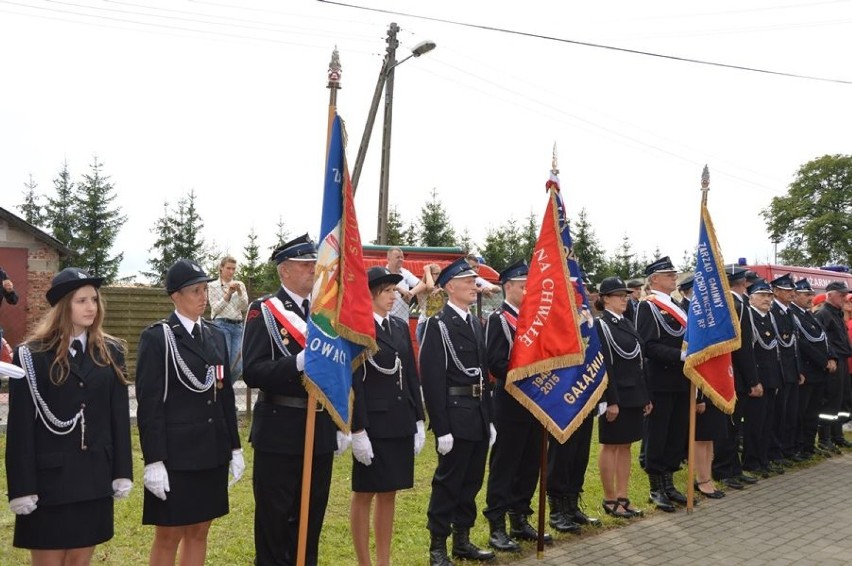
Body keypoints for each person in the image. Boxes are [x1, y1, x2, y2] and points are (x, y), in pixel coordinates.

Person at [6, 267, 133, 565]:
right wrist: (22, 488)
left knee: (79, 560)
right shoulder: (32, 354)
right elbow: (21, 427)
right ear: (64, 305)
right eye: (82, 301)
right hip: (50, 482)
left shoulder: (110, 351)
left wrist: (121, 471)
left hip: (93, 478)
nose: (92, 307)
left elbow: (118, 417)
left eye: (94, 300)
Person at [242, 234, 348, 566]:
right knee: (275, 518)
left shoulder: (325, 314)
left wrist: (343, 420)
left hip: (319, 429)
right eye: (305, 266)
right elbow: (253, 371)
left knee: (311, 517)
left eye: (314, 266)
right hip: (280, 429)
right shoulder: (265, 311)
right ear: (284, 270)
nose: (312, 273)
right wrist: (297, 364)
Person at [136, 259, 244, 566]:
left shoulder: (215, 336)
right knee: (169, 535)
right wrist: (154, 459)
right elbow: (150, 405)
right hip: (176, 455)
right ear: (175, 296)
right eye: (194, 291)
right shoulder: (158, 338)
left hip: (211, 450)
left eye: (204, 290)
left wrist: (234, 447)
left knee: (200, 530)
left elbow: (224, 398)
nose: (203, 297)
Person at [420, 257, 495, 566]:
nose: (474, 285)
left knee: (471, 482)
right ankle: (438, 545)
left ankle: (462, 540)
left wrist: (489, 419)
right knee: (448, 483)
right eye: (467, 281)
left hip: (477, 414)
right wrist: (442, 427)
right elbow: (433, 379)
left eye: (474, 280)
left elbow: (484, 374)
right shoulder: (439, 325)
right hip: (455, 413)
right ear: (450, 287)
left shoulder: (474, 323)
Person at [350, 267, 426, 566]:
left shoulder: (397, 326)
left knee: (389, 491)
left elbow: (411, 374)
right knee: (364, 493)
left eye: (395, 290)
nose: (394, 296)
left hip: (398, 419)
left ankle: (383, 561)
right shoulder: (357, 329)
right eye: (388, 291)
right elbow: (355, 383)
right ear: (370, 294)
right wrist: (358, 430)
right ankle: (364, 562)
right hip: (373, 422)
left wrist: (418, 418)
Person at [483, 260, 552, 552]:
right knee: (506, 463)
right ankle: (497, 524)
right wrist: (526, 374)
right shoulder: (500, 320)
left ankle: (520, 518)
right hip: (510, 401)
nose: (527, 290)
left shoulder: (535, 319)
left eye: (530, 285)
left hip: (537, 401)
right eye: (523, 285)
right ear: (507, 286)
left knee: (530, 462)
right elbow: (496, 363)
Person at [635, 256, 690, 512]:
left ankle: (669, 483)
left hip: (682, 379)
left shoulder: (678, 305)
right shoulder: (649, 307)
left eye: (674, 274)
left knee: (676, 434)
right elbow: (647, 345)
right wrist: (678, 355)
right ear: (654, 279)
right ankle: (656, 487)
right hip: (659, 379)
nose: (674, 278)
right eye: (669, 275)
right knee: (658, 434)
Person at [594, 277, 652, 519]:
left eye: (626, 295)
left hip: (634, 394)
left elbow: (639, 362)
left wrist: (646, 396)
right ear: (605, 298)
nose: (624, 299)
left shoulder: (626, 323)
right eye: (619, 295)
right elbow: (604, 364)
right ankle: (609, 499)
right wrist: (610, 400)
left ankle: (623, 496)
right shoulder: (601, 325)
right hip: (616, 395)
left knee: (626, 445)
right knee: (611, 446)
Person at [712, 266, 761, 490]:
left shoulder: (729, 303)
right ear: (743, 283)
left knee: (732, 426)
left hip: (730, 373)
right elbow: (743, 349)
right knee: (729, 426)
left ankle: (733, 468)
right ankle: (724, 469)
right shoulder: (737, 305)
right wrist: (753, 380)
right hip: (735, 375)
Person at [789, 278, 835, 460]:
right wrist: (824, 362)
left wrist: (831, 357)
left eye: (811, 294)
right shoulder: (793, 314)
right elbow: (803, 344)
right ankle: (798, 447)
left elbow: (823, 338)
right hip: (808, 371)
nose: (810, 298)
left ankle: (809, 446)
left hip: (819, 372)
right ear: (796, 296)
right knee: (801, 412)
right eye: (806, 294)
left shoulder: (809, 315)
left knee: (813, 412)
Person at [741, 279, 782, 479]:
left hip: (772, 377)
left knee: (768, 422)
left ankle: (763, 459)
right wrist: (753, 381)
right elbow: (748, 353)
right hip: (758, 378)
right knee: (754, 423)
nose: (767, 299)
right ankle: (751, 460)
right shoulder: (748, 316)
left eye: (769, 296)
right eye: (763, 295)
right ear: (751, 297)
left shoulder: (769, 317)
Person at [768, 274, 802, 469]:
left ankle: (786, 448)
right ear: (777, 291)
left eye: (792, 290)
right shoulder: (773, 311)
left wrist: (799, 371)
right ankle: (775, 450)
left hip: (791, 370)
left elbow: (794, 345)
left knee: (790, 413)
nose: (792, 294)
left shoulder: (788, 312)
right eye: (788, 290)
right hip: (781, 370)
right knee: (778, 414)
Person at [815, 281, 852, 451]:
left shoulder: (837, 313)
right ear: (830, 295)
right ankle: (824, 438)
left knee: (842, 400)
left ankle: (838, 436)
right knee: (830, 401)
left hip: (843, 361)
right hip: (834, 363)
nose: (845, 298)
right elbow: (823, 340)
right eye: (841, 294)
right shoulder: (824, 314)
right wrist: (830, 358)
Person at [208, 255, 249, 382]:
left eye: (233, 269)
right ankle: (222, 393)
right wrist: (229, 293)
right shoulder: (212, 286)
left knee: (237, 367)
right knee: (223, 364)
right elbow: (216, 308)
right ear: (221, 268)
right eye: (228, 268)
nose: (231, 271)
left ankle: (225, 391)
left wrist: (240, 292)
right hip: (221, 324)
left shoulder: (240, 284)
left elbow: (244, 306)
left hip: (238, 326)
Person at [385, 247, 421, 321]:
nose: (401, 259)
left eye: (402, 257)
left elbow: (421, 284)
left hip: (403, 322)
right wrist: (399, 289)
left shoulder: (405, 273)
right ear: (388, 259)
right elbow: (384, 285)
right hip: (385, 320)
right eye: (397, 257)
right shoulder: (383, 273)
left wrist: (411, 293)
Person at [415, 263, 443, 344]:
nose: (439, 276)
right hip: (425, 324)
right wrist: (427, 271)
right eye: (436, 274)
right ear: (430, 275)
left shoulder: (439, 286)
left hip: (437, 323)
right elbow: (430, 287)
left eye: (440, 273)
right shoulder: (422, 286)